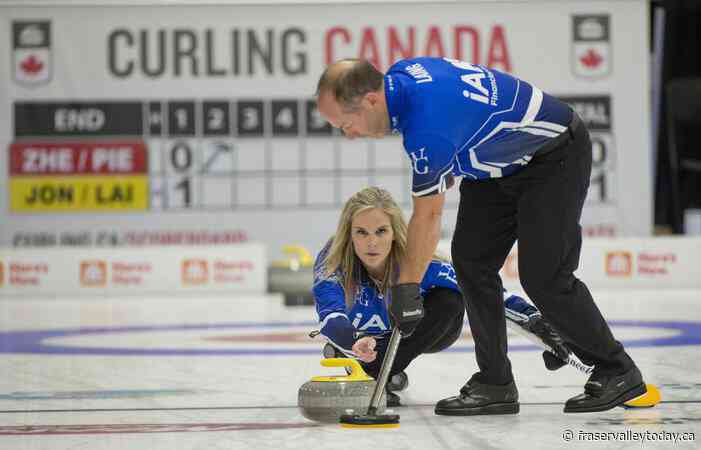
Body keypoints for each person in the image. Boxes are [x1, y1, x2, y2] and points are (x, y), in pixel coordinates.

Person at [315, 58, 646, 415]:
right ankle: (495, 382)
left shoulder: (427, 128)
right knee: (471, 263)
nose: (348, 134)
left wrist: (405, 288)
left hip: (552, 156)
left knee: (544, 277)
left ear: (369, 101)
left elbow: (428, 216)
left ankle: (618, 370)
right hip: (494, 165)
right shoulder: (400, 79)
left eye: (346, 125)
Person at [313, 186, 568, 407]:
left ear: (394, 232)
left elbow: (487, 293)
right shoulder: (333, 262)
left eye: (381, 231)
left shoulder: (419, 263)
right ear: (349, 234)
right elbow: (330, 314)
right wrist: (350, 342)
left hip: (413, 334)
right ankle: (378, 368)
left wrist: (539, 325)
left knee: (450, 299)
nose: (372, 243)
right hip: (359, 338)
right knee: (343, 339)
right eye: (362, 232)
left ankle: (378, 373)